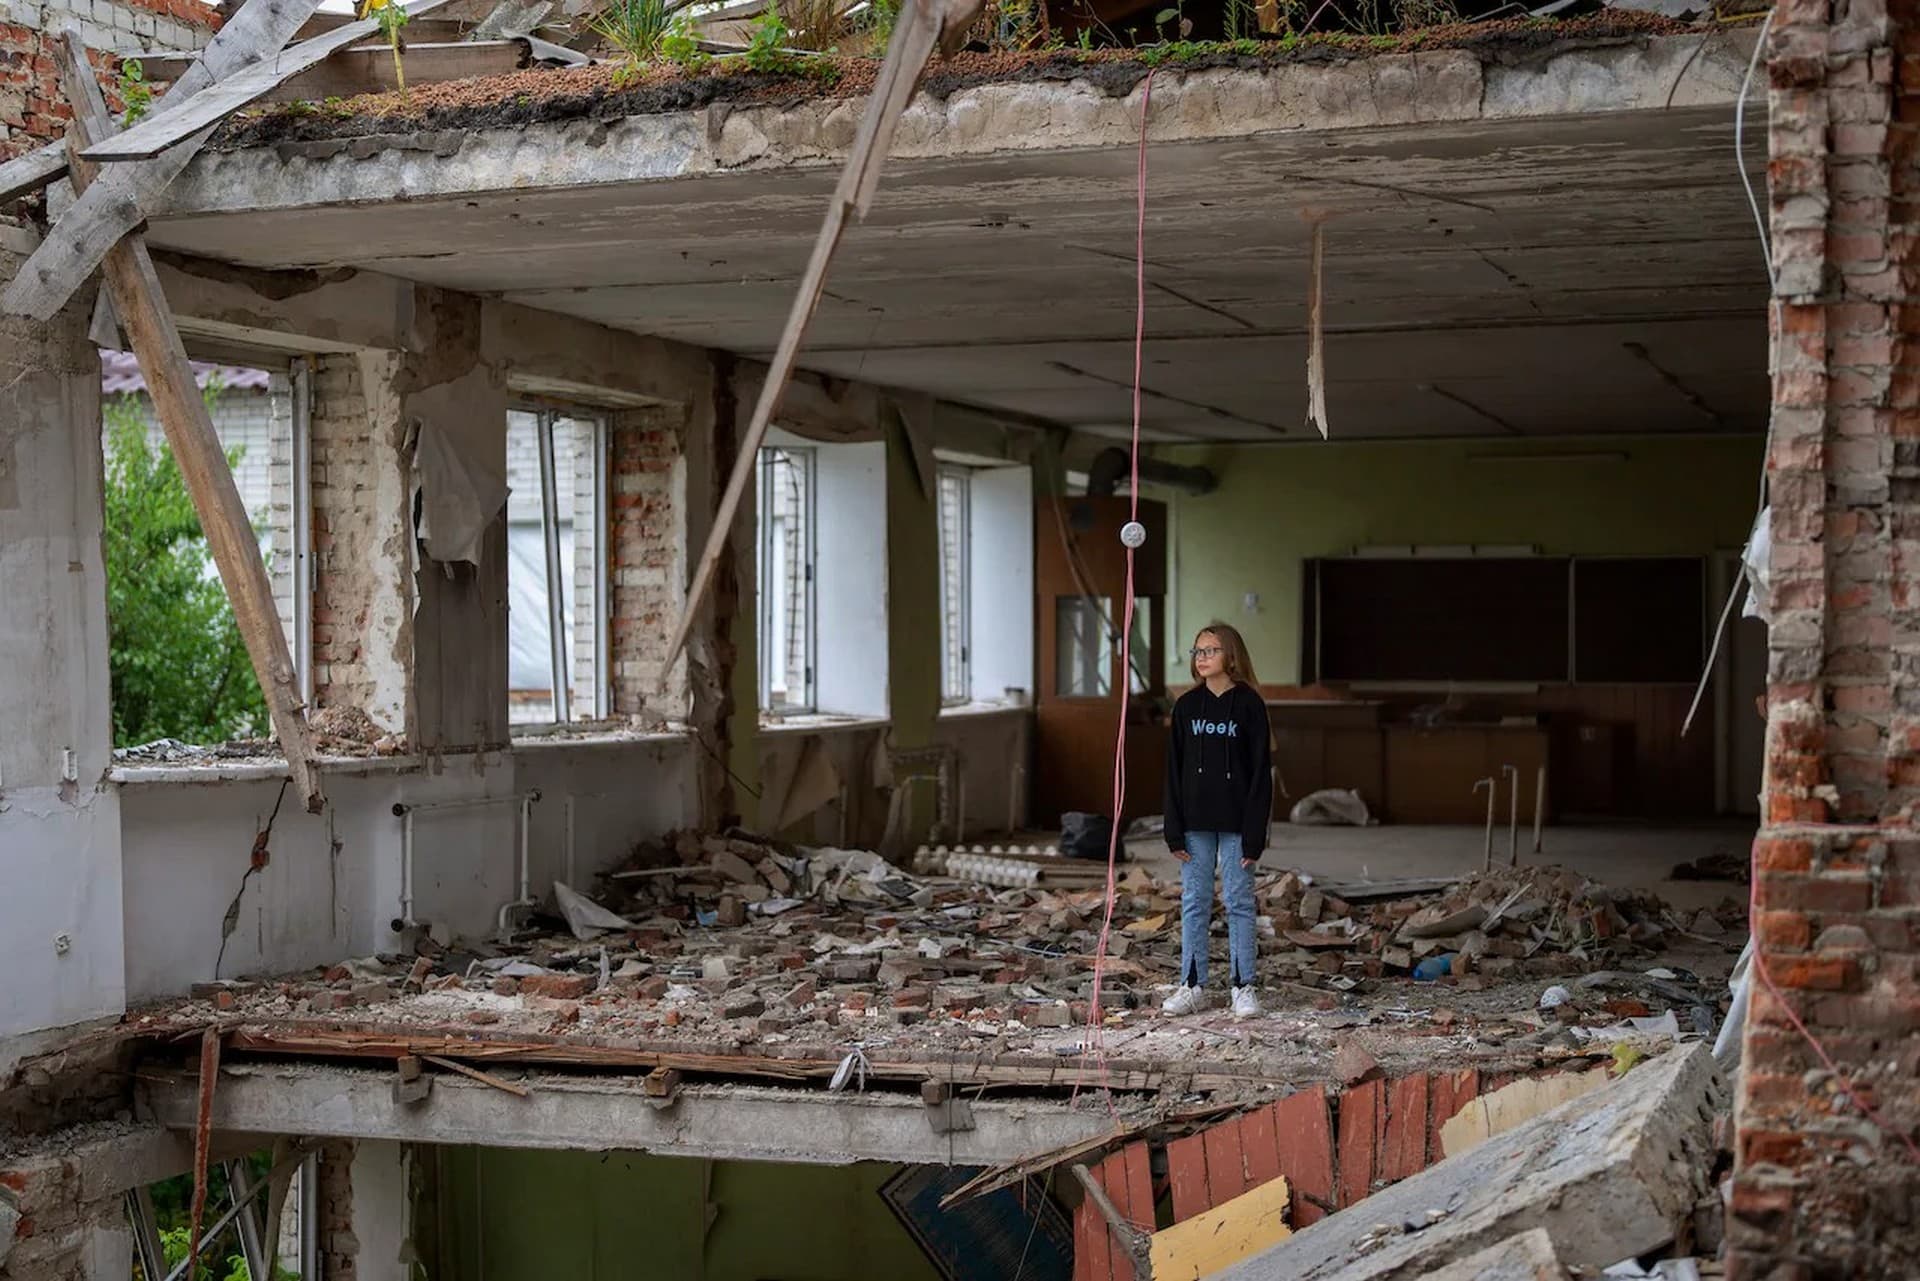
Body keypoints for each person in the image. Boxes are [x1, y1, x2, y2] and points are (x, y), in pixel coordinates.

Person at [1161, 622, 1274, 1020]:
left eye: (1210, 650)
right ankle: (1193, 986)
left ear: (1231, 655)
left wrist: (1254, 834)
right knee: (1194, 903)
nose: (1202, 657)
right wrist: (1172, 826)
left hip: (1237, 825)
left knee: (1240, 903)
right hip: (1194, 825)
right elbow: (1173, 771)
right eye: (1197, 651)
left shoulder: (1249, 706)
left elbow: (1261, 773)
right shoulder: (1187, 707)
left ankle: (1243, 988)